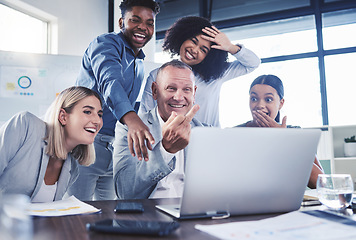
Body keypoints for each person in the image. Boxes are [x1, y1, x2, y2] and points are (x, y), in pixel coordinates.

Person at [70, 0, 160, 200]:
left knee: (109, 216)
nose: (143, 28)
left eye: (149, 23)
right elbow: (110, 82)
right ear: (121, 22)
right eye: (135, 20)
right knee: (75, 213)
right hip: (88, 144)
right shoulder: (105, 44)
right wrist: (132, 119)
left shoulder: (140, 62)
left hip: (116, 147)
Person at [139, 16, 260, 127]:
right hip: (169, 141)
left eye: (203, 50)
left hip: (208, 141)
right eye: (193, 41)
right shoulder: (157, 75)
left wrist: (230, 47)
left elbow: (252, 63)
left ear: (208, 56)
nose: (195, 50)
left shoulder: (216, 75)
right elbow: (146, 116)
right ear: (182, 37)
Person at [113, 60, 203, 199]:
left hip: (191, 215)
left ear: (194, 93)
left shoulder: (203, 131)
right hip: (146, 216)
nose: (179, 97)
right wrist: (165, 150)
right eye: (171, 88)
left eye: (187, 89)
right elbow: (125, 191)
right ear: (155, 91)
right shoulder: (130, 127)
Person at [0, 86, 103, 202]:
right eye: (88, 112)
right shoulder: (25, 125)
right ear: (63, 117)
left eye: (99, 114)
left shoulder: (72, 168)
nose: (98, 121)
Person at [236, 74, 324, 189]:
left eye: (268, 99)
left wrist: (284, 140)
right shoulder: (235, 133)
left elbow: (322, 184)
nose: (260, 105)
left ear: (280, 103)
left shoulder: (295, 134)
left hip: (286, 203)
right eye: (254, 99)